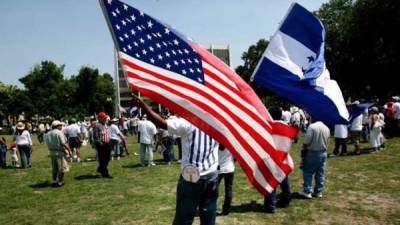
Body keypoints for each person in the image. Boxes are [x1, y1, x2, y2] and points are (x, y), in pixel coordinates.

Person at [132, 94, 219, 225]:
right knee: (208, 215)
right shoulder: (217, 123)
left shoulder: (189, 122)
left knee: (184, 217)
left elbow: (162, 123)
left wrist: (144, 106)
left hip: (192, 174)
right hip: (212, 173)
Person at [264, 107, 293, 213]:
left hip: (272, 157)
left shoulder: (269, 125)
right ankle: (286, 199)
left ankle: (270, 205)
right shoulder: (287, 126)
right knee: (284, 180)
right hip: (283, 156)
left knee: (271, 181)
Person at [298, 117, 330, 199]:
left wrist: (303, 148)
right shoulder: (326, 128)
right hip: (323, 152)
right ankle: (318, 192)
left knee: (308, 172)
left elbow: (306, 141)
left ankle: (307, 191)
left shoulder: (312, 127)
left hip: (312, 152)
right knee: (320, 173)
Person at [45, 120, 72, 187]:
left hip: (52, 152)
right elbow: (63, 143)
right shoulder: (59, 133)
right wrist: (69, 150)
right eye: (60, 125)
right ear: (57, 126)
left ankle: (54, 181)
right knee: (62, 168)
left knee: (54, 168)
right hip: (59, 152)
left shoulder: (48, 133)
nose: (61, 126)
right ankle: (60, 182)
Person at [93, 112, 112, 178]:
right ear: (100, 118)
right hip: (102, 144)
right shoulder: (97, 126)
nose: (105, 119)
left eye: (105, 118)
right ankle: (105, 173)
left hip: (107, 143)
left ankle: (100, 170)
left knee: (107, 159)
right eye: (103, 118)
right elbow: (96, 137)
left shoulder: (105, 124)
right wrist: (101, 144)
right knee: (103, 159)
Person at [217, 145, 234, 215]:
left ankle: (210, 206)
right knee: (228, 190)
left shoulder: (216, 142)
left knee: (213, 190)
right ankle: (226, 209)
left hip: (218, 169)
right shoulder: (231, 142)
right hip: (229, 168)